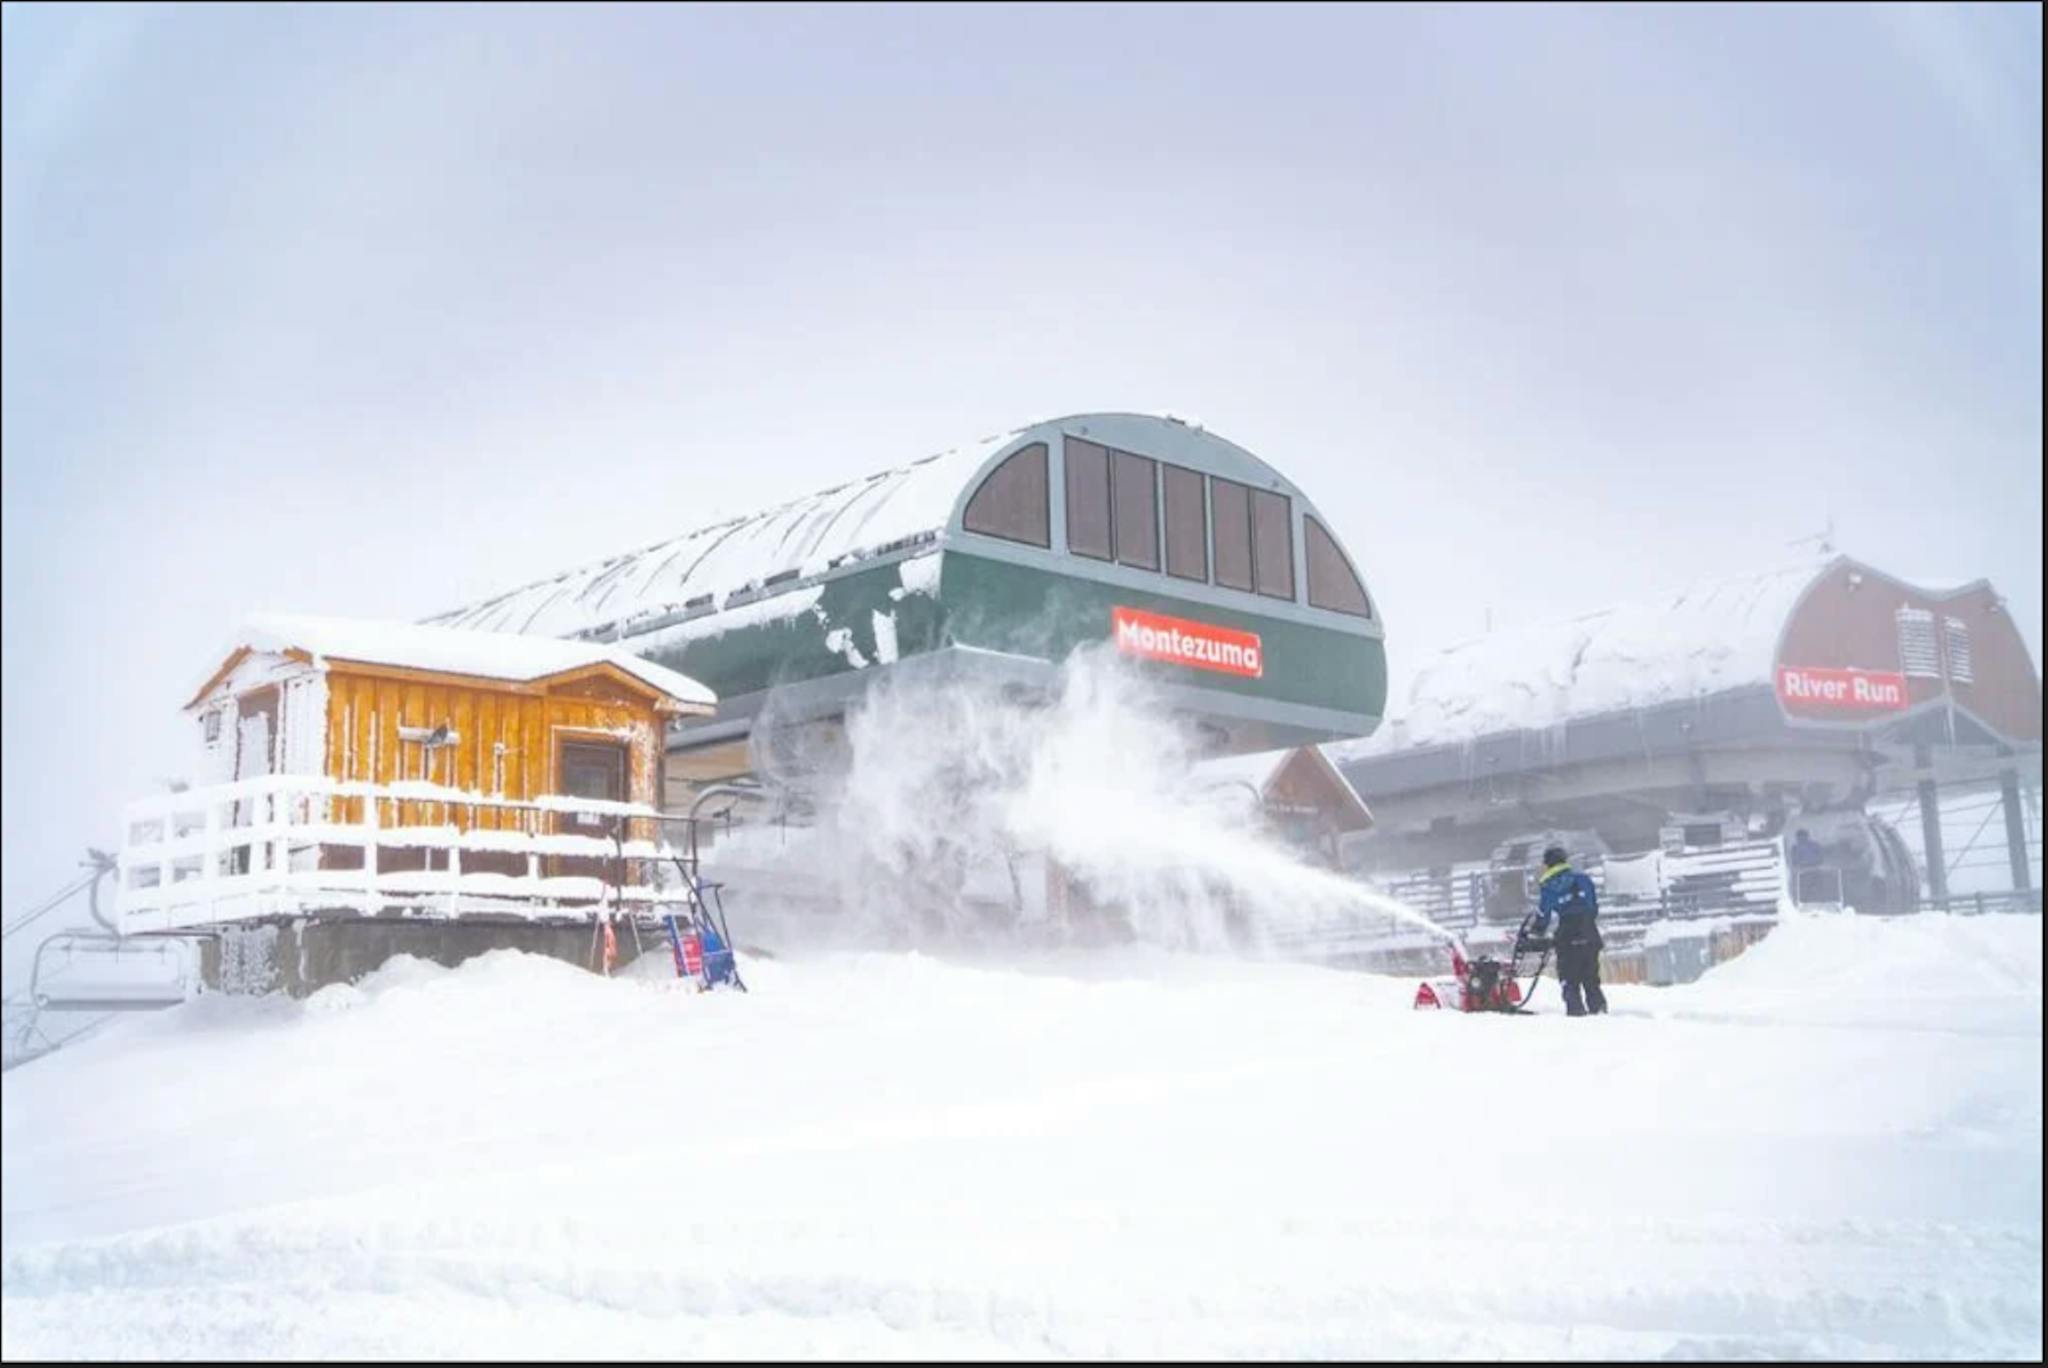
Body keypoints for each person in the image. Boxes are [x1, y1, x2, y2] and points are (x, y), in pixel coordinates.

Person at [1533, 845, 1607, 1017]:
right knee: (1591, 978)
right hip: (1589, 931)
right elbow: (1593, 906)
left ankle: (1576, 1013)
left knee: (1569, 979)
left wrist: (1537, 931)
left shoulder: (1549, 886)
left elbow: (1543, 915)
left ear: (1547, 865)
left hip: (1567, 935)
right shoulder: (1584, 880)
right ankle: (1599, 1011)